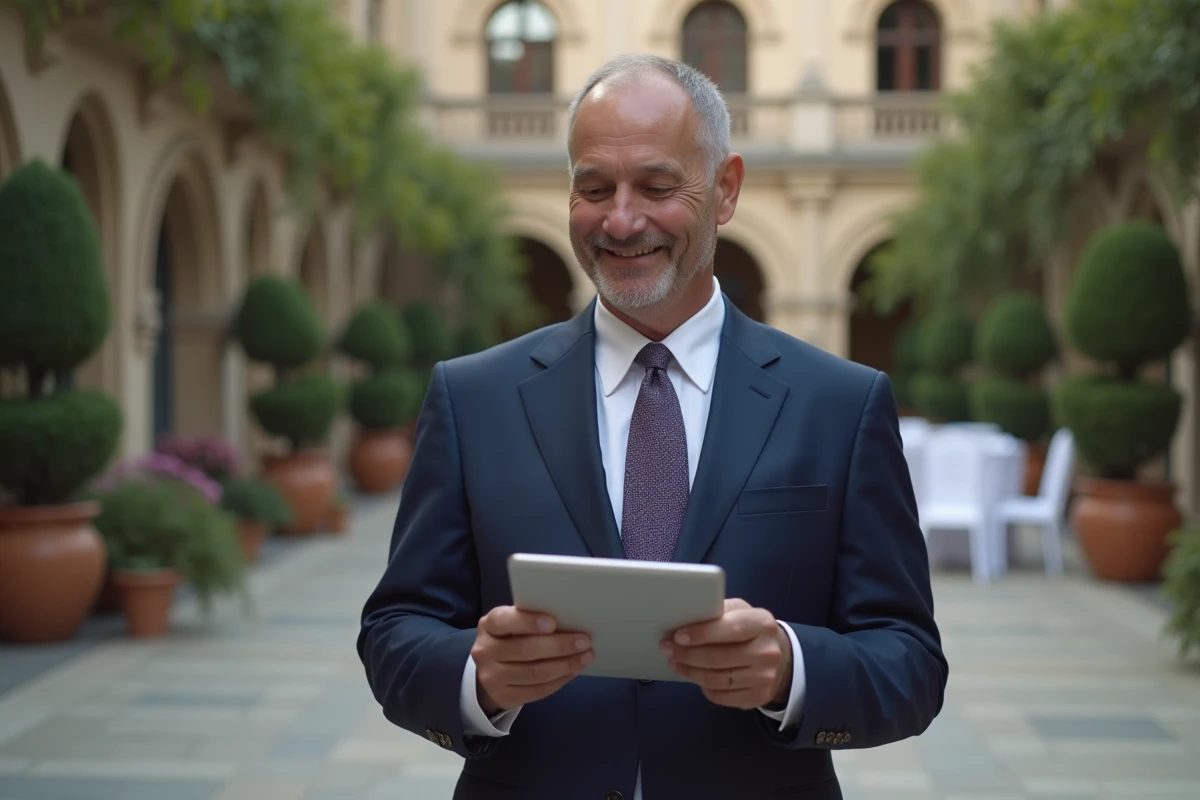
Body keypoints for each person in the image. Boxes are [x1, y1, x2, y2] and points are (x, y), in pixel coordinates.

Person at [358, 54, 947, 800]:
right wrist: (478, 677)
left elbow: (911, 664)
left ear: (725, 189)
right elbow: (395, 629)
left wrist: (791, 668)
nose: (622, 219)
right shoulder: (473, 396)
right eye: (594, 188)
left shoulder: (841, 402)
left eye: (659, 186)